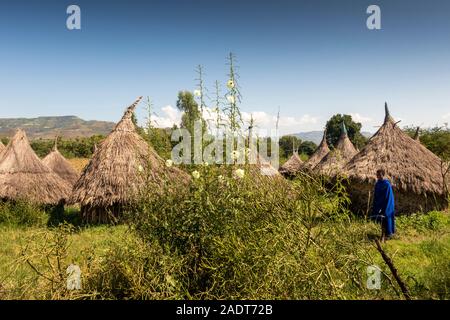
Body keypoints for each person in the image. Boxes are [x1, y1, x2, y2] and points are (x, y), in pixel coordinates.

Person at [371, 169, 395, 241]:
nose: (378, 176)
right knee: (380, 219)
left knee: (386, 217)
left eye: (379, 174)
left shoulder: (387, 184)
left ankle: (388, 234)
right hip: (379, 204)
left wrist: (386, 206)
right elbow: (376, 195)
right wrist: (376, 205)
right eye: (377, 175)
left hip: (387, 204)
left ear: (383, 175)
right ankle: (383, 234)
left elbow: (388, 196)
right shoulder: (377, 184)